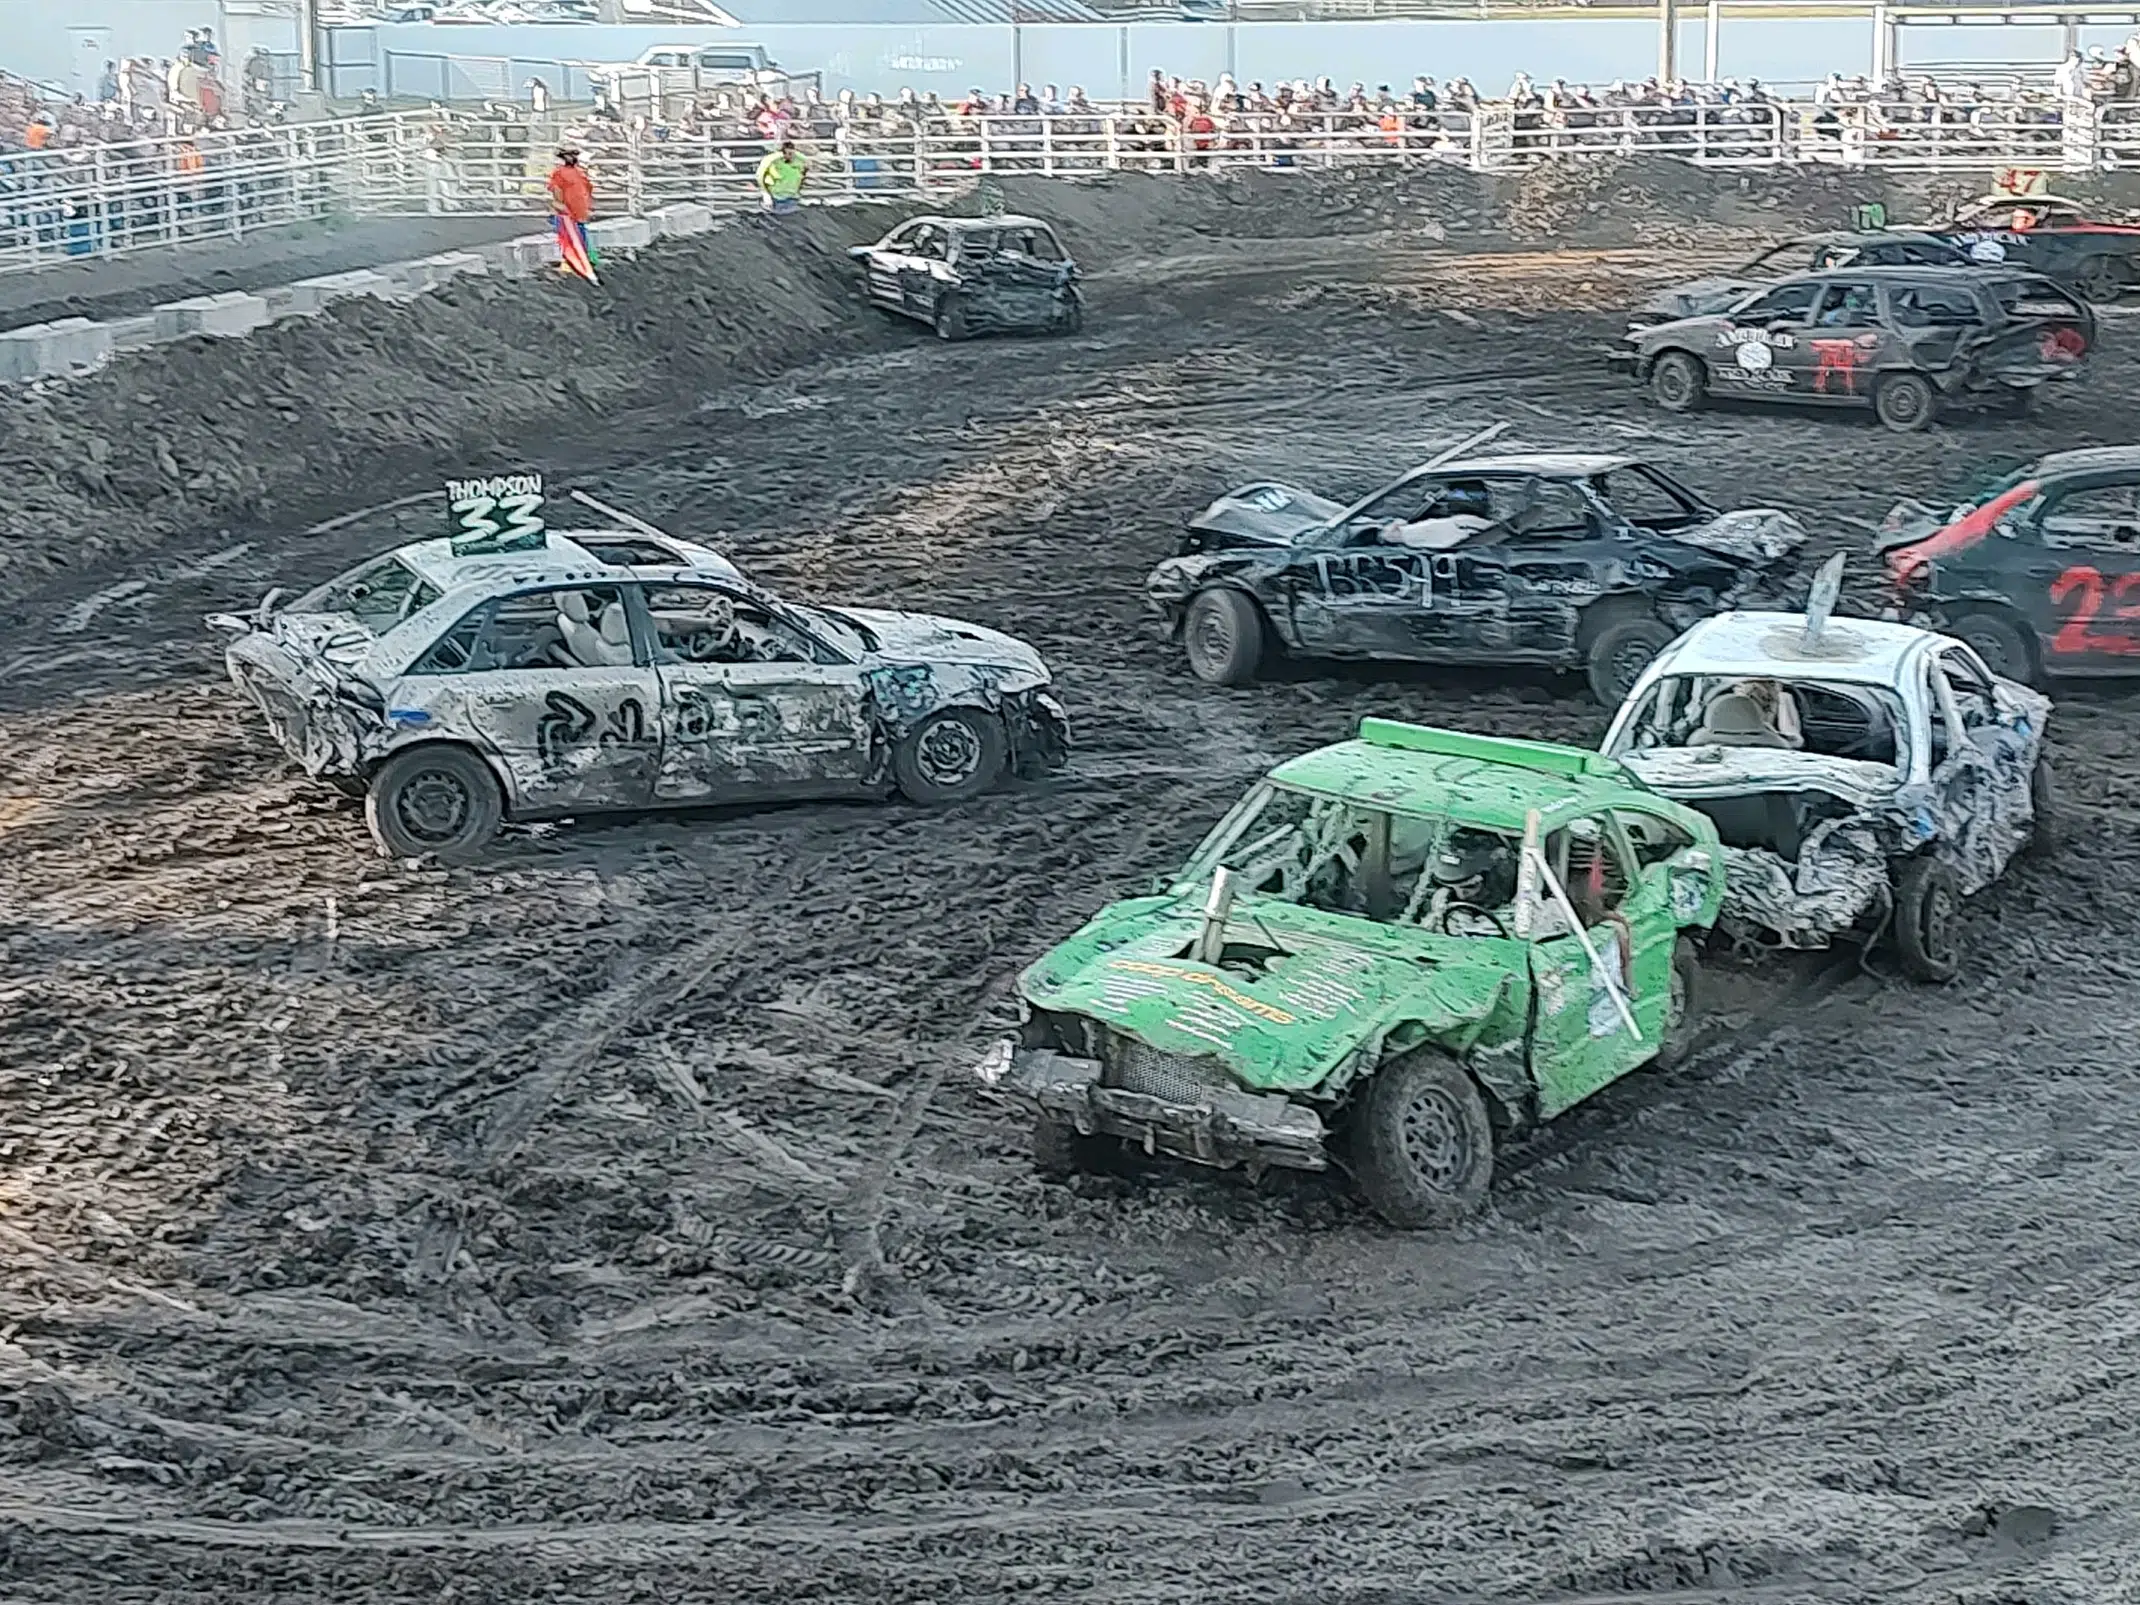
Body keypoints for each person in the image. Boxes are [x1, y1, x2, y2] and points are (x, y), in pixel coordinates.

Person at [546, 143, 594, 265]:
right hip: (568, 212)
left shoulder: (580, 173)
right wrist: (561, 206)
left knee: (579, 234)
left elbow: (587, 191)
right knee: (569, 235)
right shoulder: (559, 173)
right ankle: (572, 259)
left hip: (579, 212)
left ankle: (582, 258)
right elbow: (557, 191)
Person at [755, 138, 807, 214]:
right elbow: (760, 176)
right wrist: (765, 193)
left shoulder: (798, 161)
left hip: (792, 198)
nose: (791, 156)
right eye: (788, 153)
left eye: (792, 153)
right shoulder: (773, 161)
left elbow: (806, 166)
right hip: (776, 198)